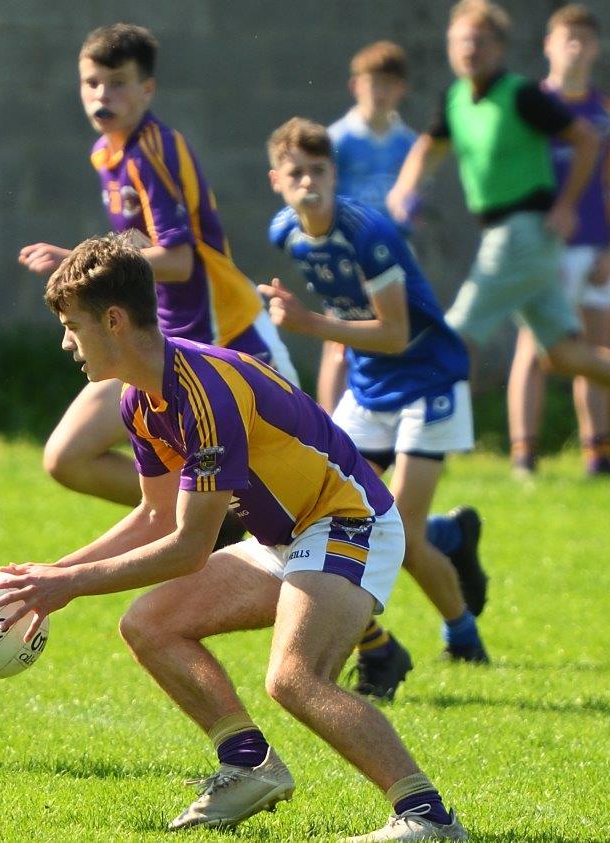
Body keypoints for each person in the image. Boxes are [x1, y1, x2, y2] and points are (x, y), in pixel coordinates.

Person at [0, 235, 467, 841]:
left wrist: (72, 584)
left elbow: (189, 546)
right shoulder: (141, 402)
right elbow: (155, 516)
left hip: (348, 519)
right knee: (149, 624)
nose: (66, 343)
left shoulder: (204, 392)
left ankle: (428, 816)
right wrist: (50, 576)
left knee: (294, 678)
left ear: (113, 320)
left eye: (72, 326)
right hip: (284, 536)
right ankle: (247, 766)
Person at [18, 22, 296, 512]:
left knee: (300, 495)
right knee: (67, 457)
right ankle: (213, 520)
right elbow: (143, 249)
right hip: (160, 343)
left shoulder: (153, 149)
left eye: (118, 82)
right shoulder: (108, 153)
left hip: (227, 335)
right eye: (92, 83)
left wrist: (77, 262)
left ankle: (435, 537)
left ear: (147, 89)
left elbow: (178, 260)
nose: (103, 95)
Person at [264, 118, 489, 704]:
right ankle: (448, 543)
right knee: (317, 516)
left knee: (404, 535)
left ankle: (463, 636)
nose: (309, 182)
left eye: (319, 171)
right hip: (368, 390)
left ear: (335, 176)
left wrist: (307, 324)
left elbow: (393, 334)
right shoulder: (285, 232)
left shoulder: (368, 232)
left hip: (428, 380)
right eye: (296, 173)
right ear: (276, 181)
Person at [388, 1, 610, 411]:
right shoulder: (456, 97)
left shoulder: (521, 94)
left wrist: (567, 204)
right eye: (460, 41)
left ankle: (414, 436)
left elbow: (587, 139)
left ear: (499, 48)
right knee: (564, 355)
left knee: (453, 335)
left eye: (479, 41)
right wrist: (403, 189)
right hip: (516, 238)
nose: (468, 49)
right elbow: (429, 147)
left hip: (522, 232)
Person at [506, 4, 610, 477]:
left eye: (585, 38)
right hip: (544, 249)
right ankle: (524, 456)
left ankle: (597, 453)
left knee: (594, 347)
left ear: (597, 48)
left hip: (596, 249)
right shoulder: (532, 106)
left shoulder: (603, 110)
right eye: (566, 37)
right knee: (536, 347)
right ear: (547, 45)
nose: (576, 45)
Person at [318, 40, 418, 415]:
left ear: (402, 89)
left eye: (389, 84)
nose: (380, 92)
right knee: (340, 344)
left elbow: (411, 203)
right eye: (372, 82)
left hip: (391, 261)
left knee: (393, 340)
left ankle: (381, 424)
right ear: (355, 86)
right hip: (347, 258)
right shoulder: (336, 140)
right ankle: (328, 433)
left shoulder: (409, 143)